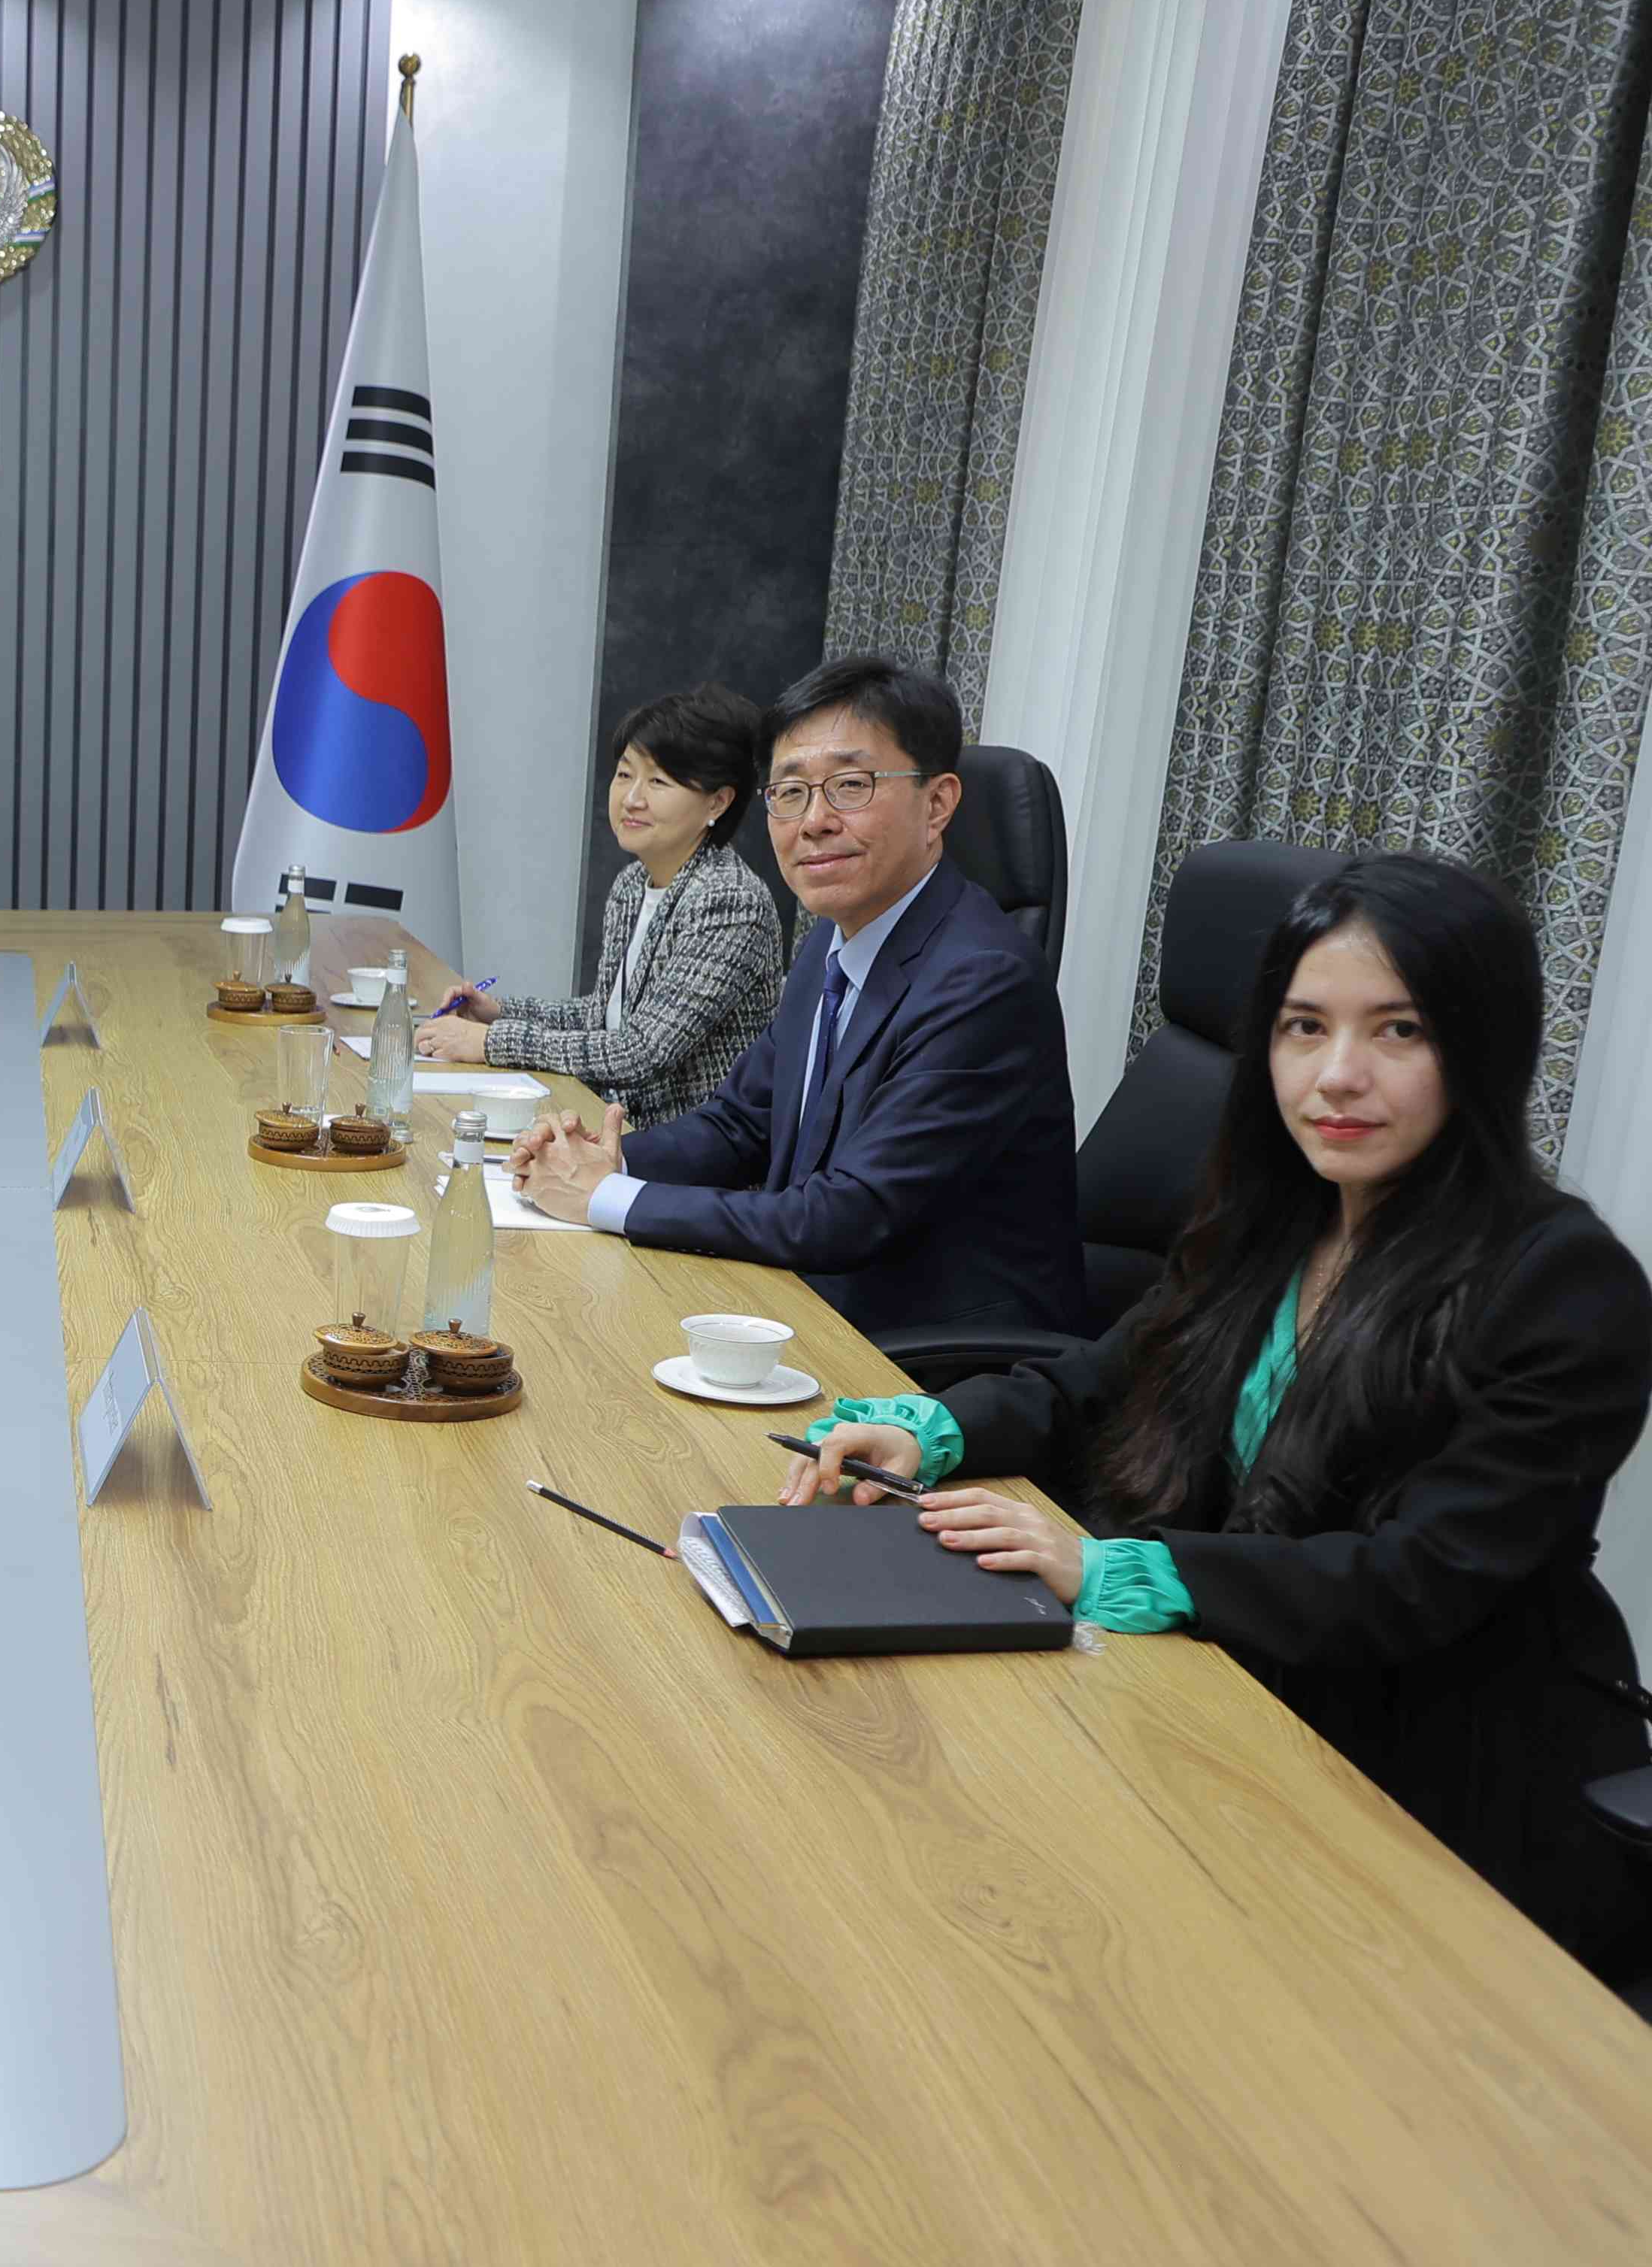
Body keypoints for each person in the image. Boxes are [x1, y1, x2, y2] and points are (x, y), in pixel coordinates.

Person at [782, 854, 1652, 1970]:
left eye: (1398, 1032)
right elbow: (1093, 1379)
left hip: (1424, 1789)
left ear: (1482, 1046)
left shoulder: (1563, 1285)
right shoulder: (1281, 1216)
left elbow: (1416, 1581)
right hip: (1216, 1702)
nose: (1337, 1076)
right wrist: (933, 1431)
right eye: (1303, 1028)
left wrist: (1114, 1568)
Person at [508, 654, 1084, 1336]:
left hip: (924, 1359)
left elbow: (846, 1214)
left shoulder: (983, 981)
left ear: (938, 804)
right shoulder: (830, 942)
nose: (813, 821)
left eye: (849, 785)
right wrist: (606, 1159)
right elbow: (742, 1125)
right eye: (789, 792)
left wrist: (610, 1198)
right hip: (806, 1302)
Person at [417, 683, 780, 1120]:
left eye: (659, 782)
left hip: (692, 1159)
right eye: (625, 774)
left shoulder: (730, 901)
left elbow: (643, 1049)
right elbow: (603, 1016)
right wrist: (497, 1012)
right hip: (615, 1128)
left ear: (718, 802)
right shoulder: (633, 884)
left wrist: (491, 1042)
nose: (631, 798)